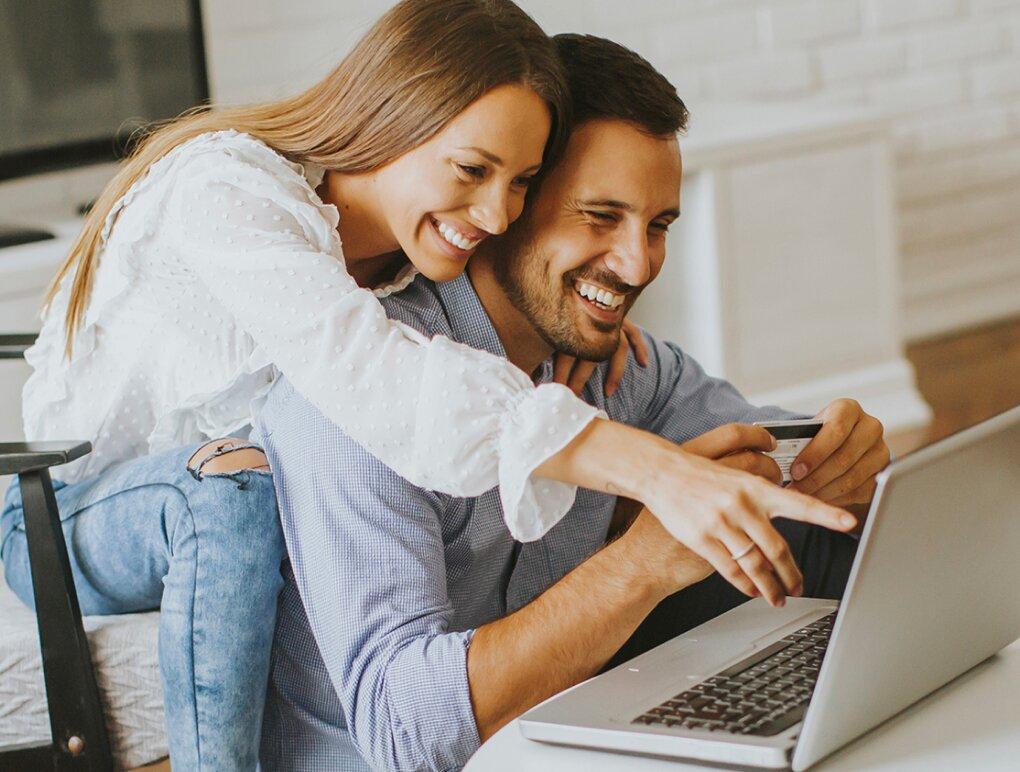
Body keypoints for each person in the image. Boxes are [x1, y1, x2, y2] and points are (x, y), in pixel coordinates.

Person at [0, 2, 862, 768]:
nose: (493, 213)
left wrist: (832, 447)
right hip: (80, 500)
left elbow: (766, 456)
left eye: (519, 185)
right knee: (235, 503)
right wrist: (645, 476)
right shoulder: (234, 199)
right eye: (597, 217)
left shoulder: (429, 276)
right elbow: (366, 370)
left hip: (246, 468)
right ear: (396, 120)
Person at [255, 33, 890, 770]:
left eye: (657, 227)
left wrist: (836, 457)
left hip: (563, 737)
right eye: (600, 217)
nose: (637, 263)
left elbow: (755, 446)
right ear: (507, 205)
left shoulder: (615, 363)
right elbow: (404, 734)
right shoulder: (361, 397)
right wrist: (642, 562)